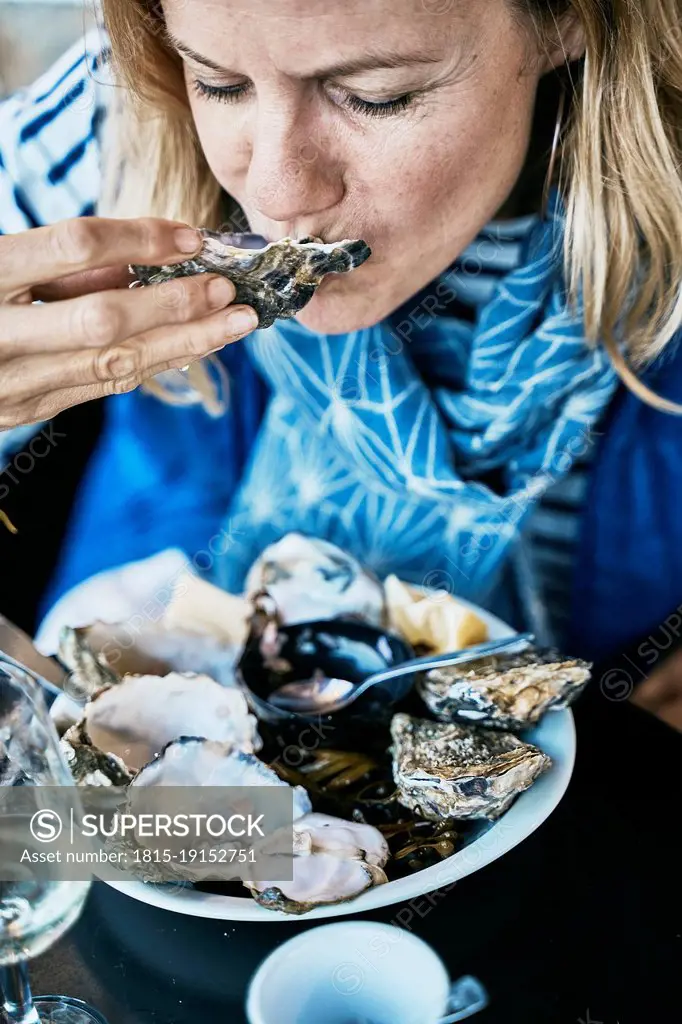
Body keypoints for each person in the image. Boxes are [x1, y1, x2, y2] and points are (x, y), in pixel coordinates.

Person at [1, 0, 682, 670]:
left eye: (373, 95)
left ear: (570, 17)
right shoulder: (114, 97)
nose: (276, 194)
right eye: (218, 83)